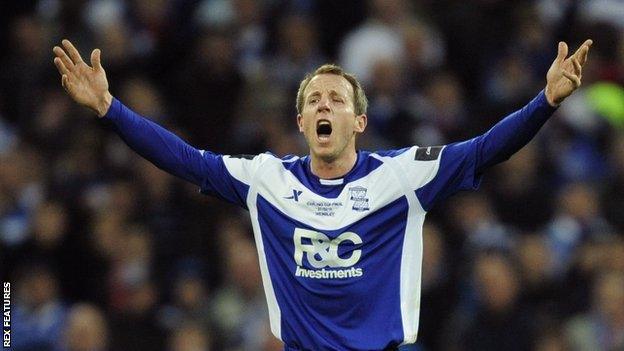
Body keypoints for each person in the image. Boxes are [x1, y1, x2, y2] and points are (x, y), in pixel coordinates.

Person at [52, 38, 592, 350]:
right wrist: (108, 109)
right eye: (314, 100)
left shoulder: (401, 176)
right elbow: (183, 159)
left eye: (335, 98)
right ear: (301, 121)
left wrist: (545, 100)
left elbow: (482, 151)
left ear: (358, 120)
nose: (324, 105)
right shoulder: (267, 180)